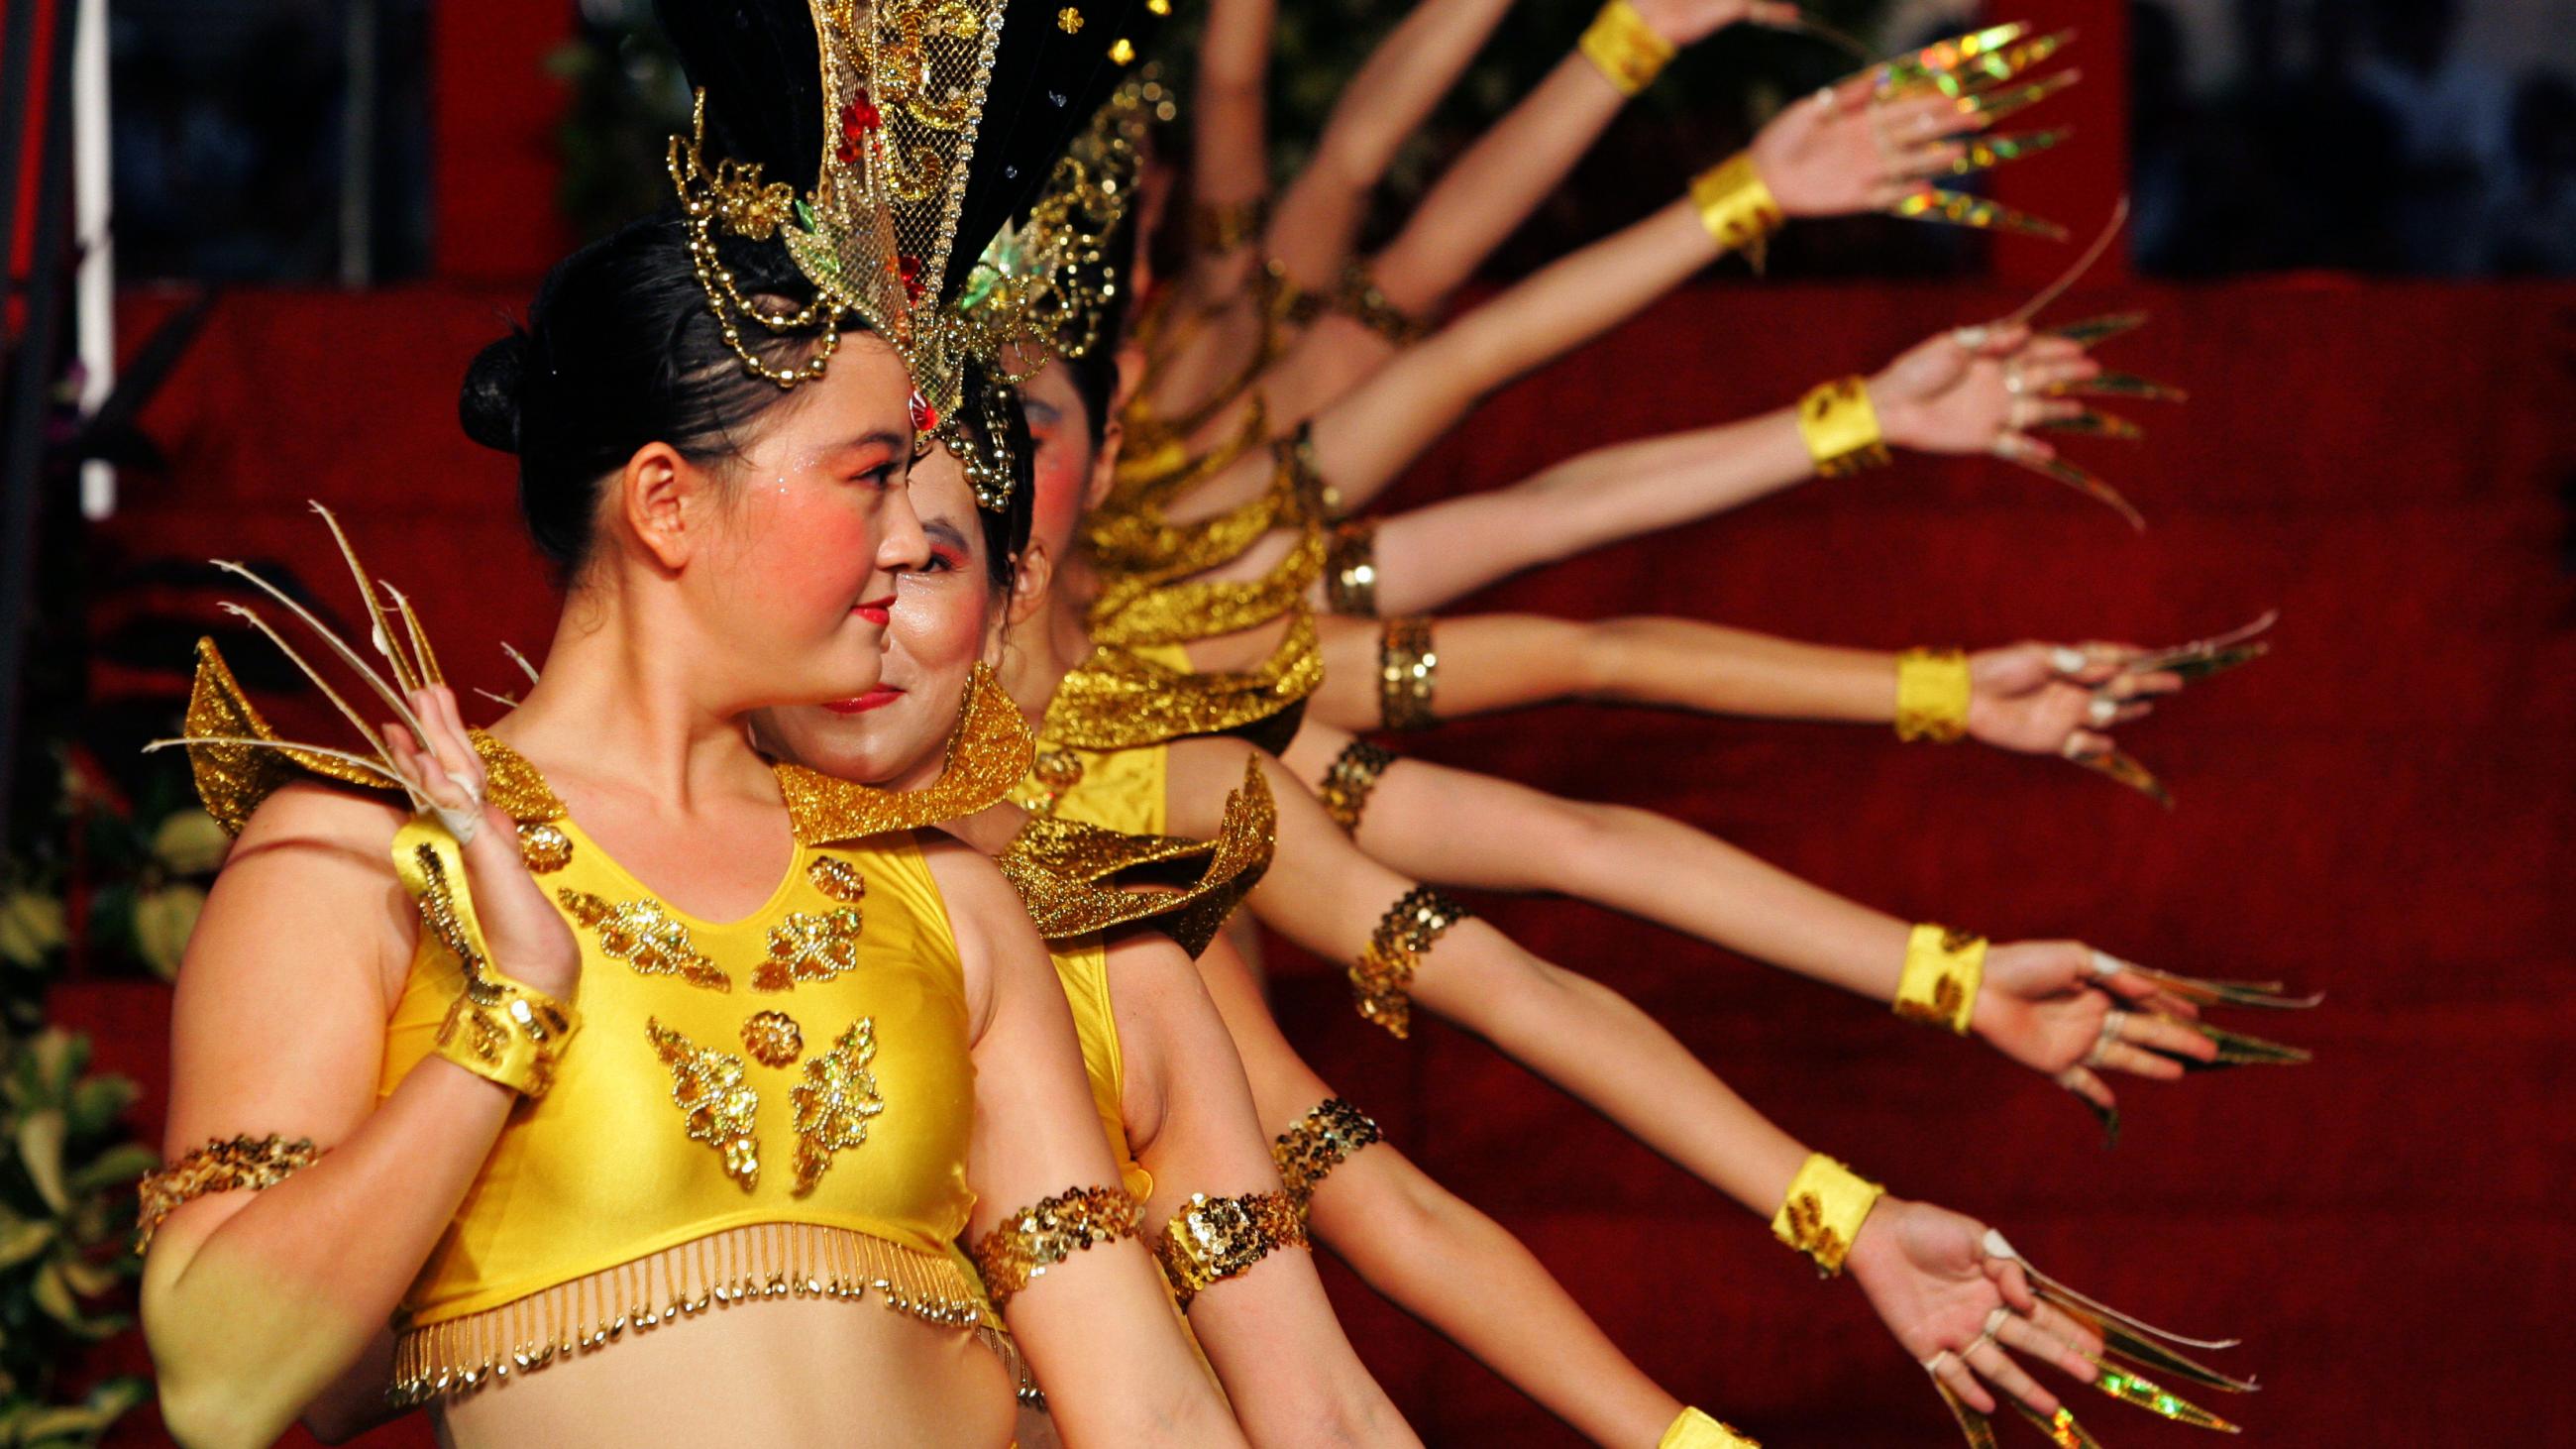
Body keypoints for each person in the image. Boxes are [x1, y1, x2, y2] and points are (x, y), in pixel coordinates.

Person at [133, 1, 1248, 1443]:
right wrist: (508, 1015)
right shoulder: (365, 863)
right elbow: (221, 1381)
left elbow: (1151, 1414)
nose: (911, 540)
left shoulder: (948, 903)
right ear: (667, 503)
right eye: (866, 476)